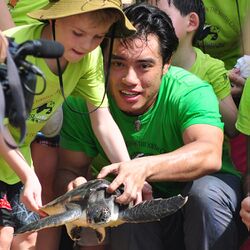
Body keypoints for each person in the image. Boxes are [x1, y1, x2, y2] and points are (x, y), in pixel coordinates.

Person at [56, 3, 244, 250]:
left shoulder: (191, 90)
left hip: (201, 210)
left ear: (167, 64)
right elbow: (67, 171)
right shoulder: (84, 101)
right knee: (126, 203)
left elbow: (209, 154)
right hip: (138, 222)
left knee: (205, 194)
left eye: (144, 66)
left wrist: (141, 168)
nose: (129, 79)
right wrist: (76, 188)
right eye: (118, 63)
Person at [1, 0, 135, 249]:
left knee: (28, 240)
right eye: (77, 33)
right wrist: (29, 175)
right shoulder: (14, 51)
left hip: (14, 160)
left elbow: (102, 120)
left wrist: (128, 171)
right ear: (53, 19)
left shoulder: (88, 57)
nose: (86, 44)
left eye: (98, 36)